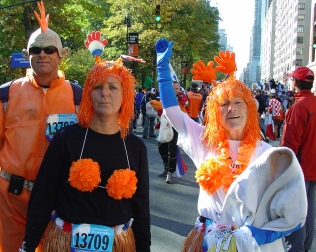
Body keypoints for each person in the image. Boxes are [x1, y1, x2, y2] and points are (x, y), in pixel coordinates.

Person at [155, 39, 306, 252]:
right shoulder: (204, 140)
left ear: (249, 110)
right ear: (216, 113)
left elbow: (295, 210)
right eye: (223, 104)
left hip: (248, 243)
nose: (231, 109)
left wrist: (264, 234)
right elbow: (172, 112)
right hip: (207, 239)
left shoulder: (267, 154)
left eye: (237, 103)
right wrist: (162, 71)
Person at [21, 31, 150, 252]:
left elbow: (141, 208)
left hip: (119, 244)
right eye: (98, 87)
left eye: (113, 87)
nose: (105, 94)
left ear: (124, 95)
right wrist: (27, 247)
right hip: (65, 243)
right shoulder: (66, 139)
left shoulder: (135, 148)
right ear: (89, 94)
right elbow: (43, 197)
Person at [0, 1, 82, 252]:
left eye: (50, 49)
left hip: (58, 203)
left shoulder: (78, 98)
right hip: (10, 201)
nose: (42, 54)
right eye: (36, 49)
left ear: (61, 54)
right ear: (26, 54)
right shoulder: (6, 95)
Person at [281, 67, 316, 252]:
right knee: (309, 210)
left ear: (295, 82)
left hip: (300, 168)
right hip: (312, 167)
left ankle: (296, 248)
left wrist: (281, 170)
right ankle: (305, 246)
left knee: (297, 212)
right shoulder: (312, 103)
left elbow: (290, 145)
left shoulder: (299, 107)